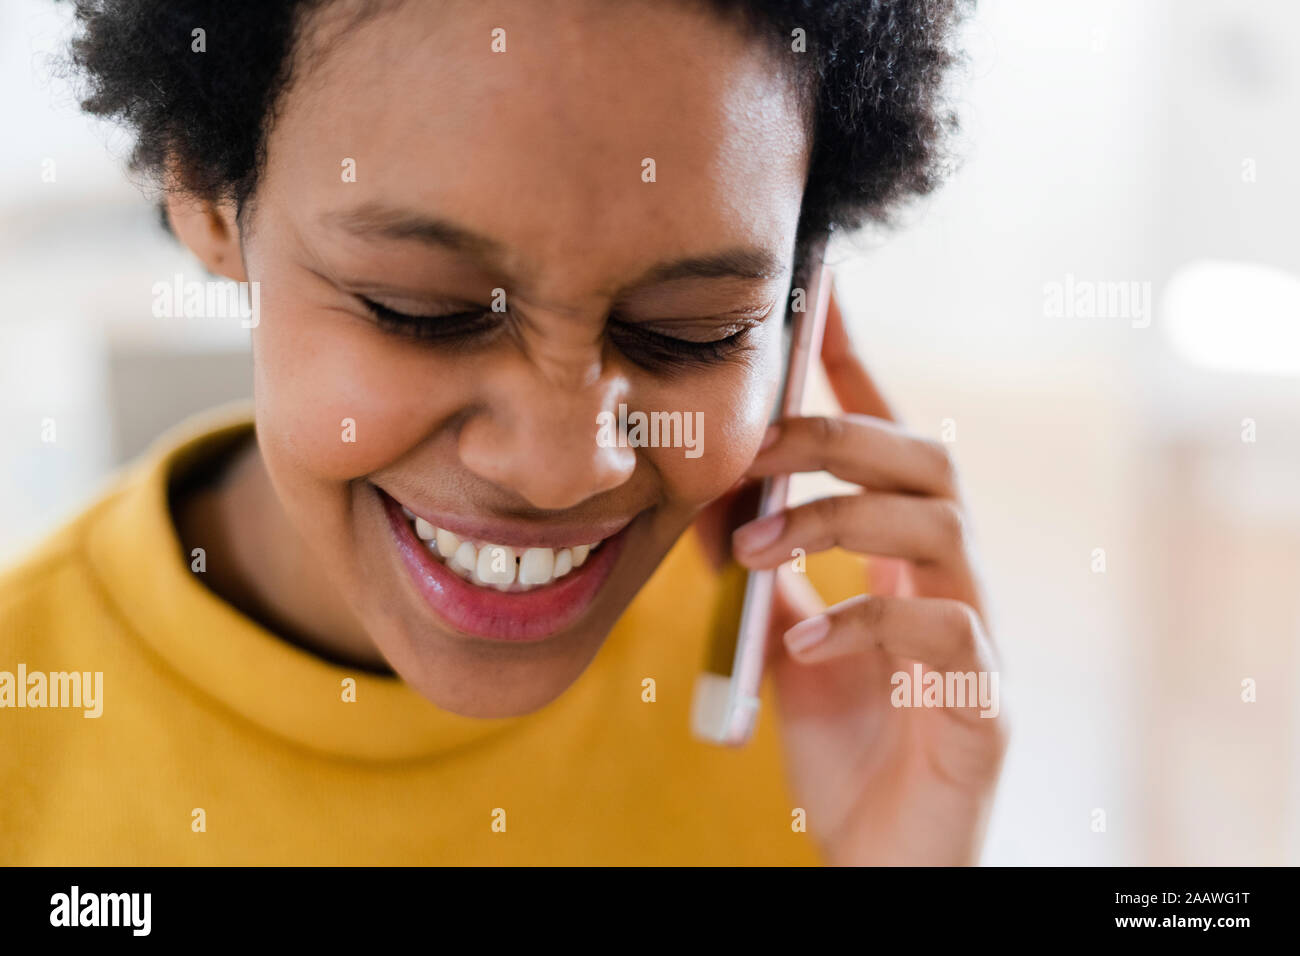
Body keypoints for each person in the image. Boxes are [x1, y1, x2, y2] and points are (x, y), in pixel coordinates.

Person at [1, 0, 1005, 865]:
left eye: (688, 330)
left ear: (801, 289)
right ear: (212, 200)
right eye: (423, 309)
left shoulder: (837, 665)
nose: (559, 467)